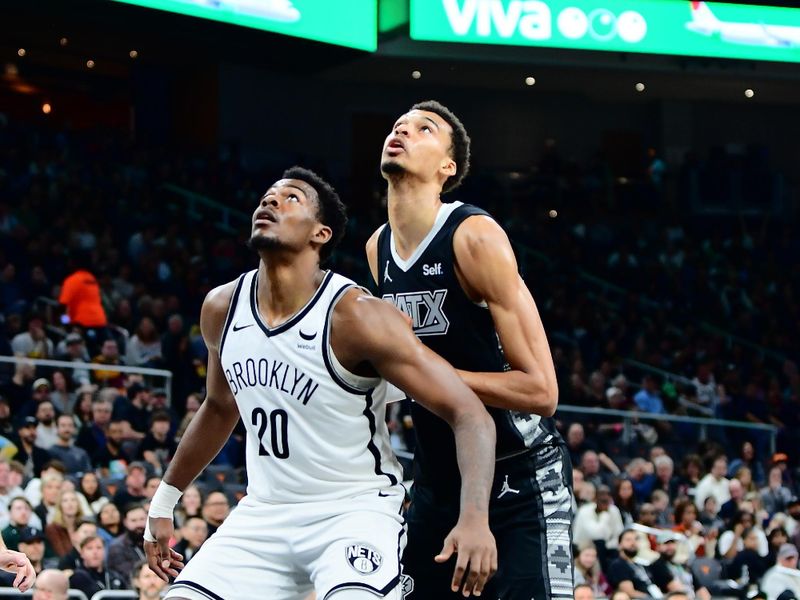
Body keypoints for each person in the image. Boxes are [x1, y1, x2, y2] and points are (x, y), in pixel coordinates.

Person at [145, 166, 497, 599]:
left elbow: (469, 413)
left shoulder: (356, 317)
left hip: (352, 511)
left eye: (290, 198)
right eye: (266, 197)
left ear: (321, 234)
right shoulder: (221, 307)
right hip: (264, 513)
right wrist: (163, 503)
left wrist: (475, 518)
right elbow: (219, 408)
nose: (270, 202)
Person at [366, 100, 572, 598]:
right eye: (398, 126)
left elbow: (542, 391)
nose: (403, 131)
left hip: (520, 475)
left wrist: (428, 375)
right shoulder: (377, 248)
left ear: (447, 167)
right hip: (437, 482)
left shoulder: (474, 236)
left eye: (423, 129)